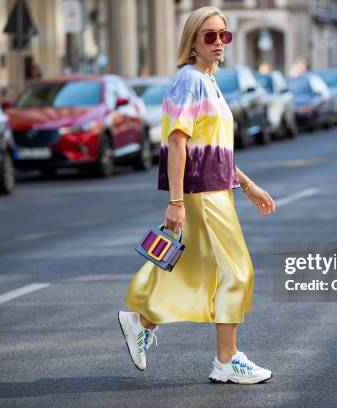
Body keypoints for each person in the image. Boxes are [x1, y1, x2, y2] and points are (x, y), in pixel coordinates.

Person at [118, 6, 276, 385]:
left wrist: (248, 185)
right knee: (237, 271)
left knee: (190, 268)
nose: (219, 42)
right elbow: (177, 142)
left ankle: (140, 321)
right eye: (210, 35)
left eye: (225, 34)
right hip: (203, 194)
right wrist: (175, 201)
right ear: (192, 41)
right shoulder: (190, 80)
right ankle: (227, 360)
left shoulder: (208, 80)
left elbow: (212, 148)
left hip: (216, 188)